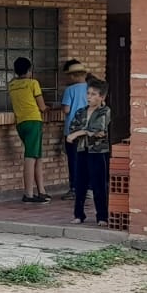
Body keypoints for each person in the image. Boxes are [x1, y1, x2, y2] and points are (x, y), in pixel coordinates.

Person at [66, 77, 112, 226]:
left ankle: (102, 216)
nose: (89, 97)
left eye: (93, 94)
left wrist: (80, 133)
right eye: (88, 94)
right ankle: (79, 214)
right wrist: (81, 132)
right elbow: (73, 128)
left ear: (101, 97)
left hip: (98, 152)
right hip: (82, 150)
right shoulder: (81, 111)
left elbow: (98, 129)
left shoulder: (104, 111)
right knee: (80, 183)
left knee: (99, 185)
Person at [8, 57, 49, 203]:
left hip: (21, 123)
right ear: (30, 70)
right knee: (31, 158)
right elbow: (42, 107)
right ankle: (29, 194)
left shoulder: (11, 85)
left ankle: (42, 191)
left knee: (37, 156)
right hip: (33, 121)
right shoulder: (33, 83)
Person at [59, 60, 90, 198]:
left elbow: (66, 109)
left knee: (74, 160)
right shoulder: (92, 88)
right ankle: (89, 189)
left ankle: (75, 189)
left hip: (72, 130)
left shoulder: (70, 90)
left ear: (73, 76)